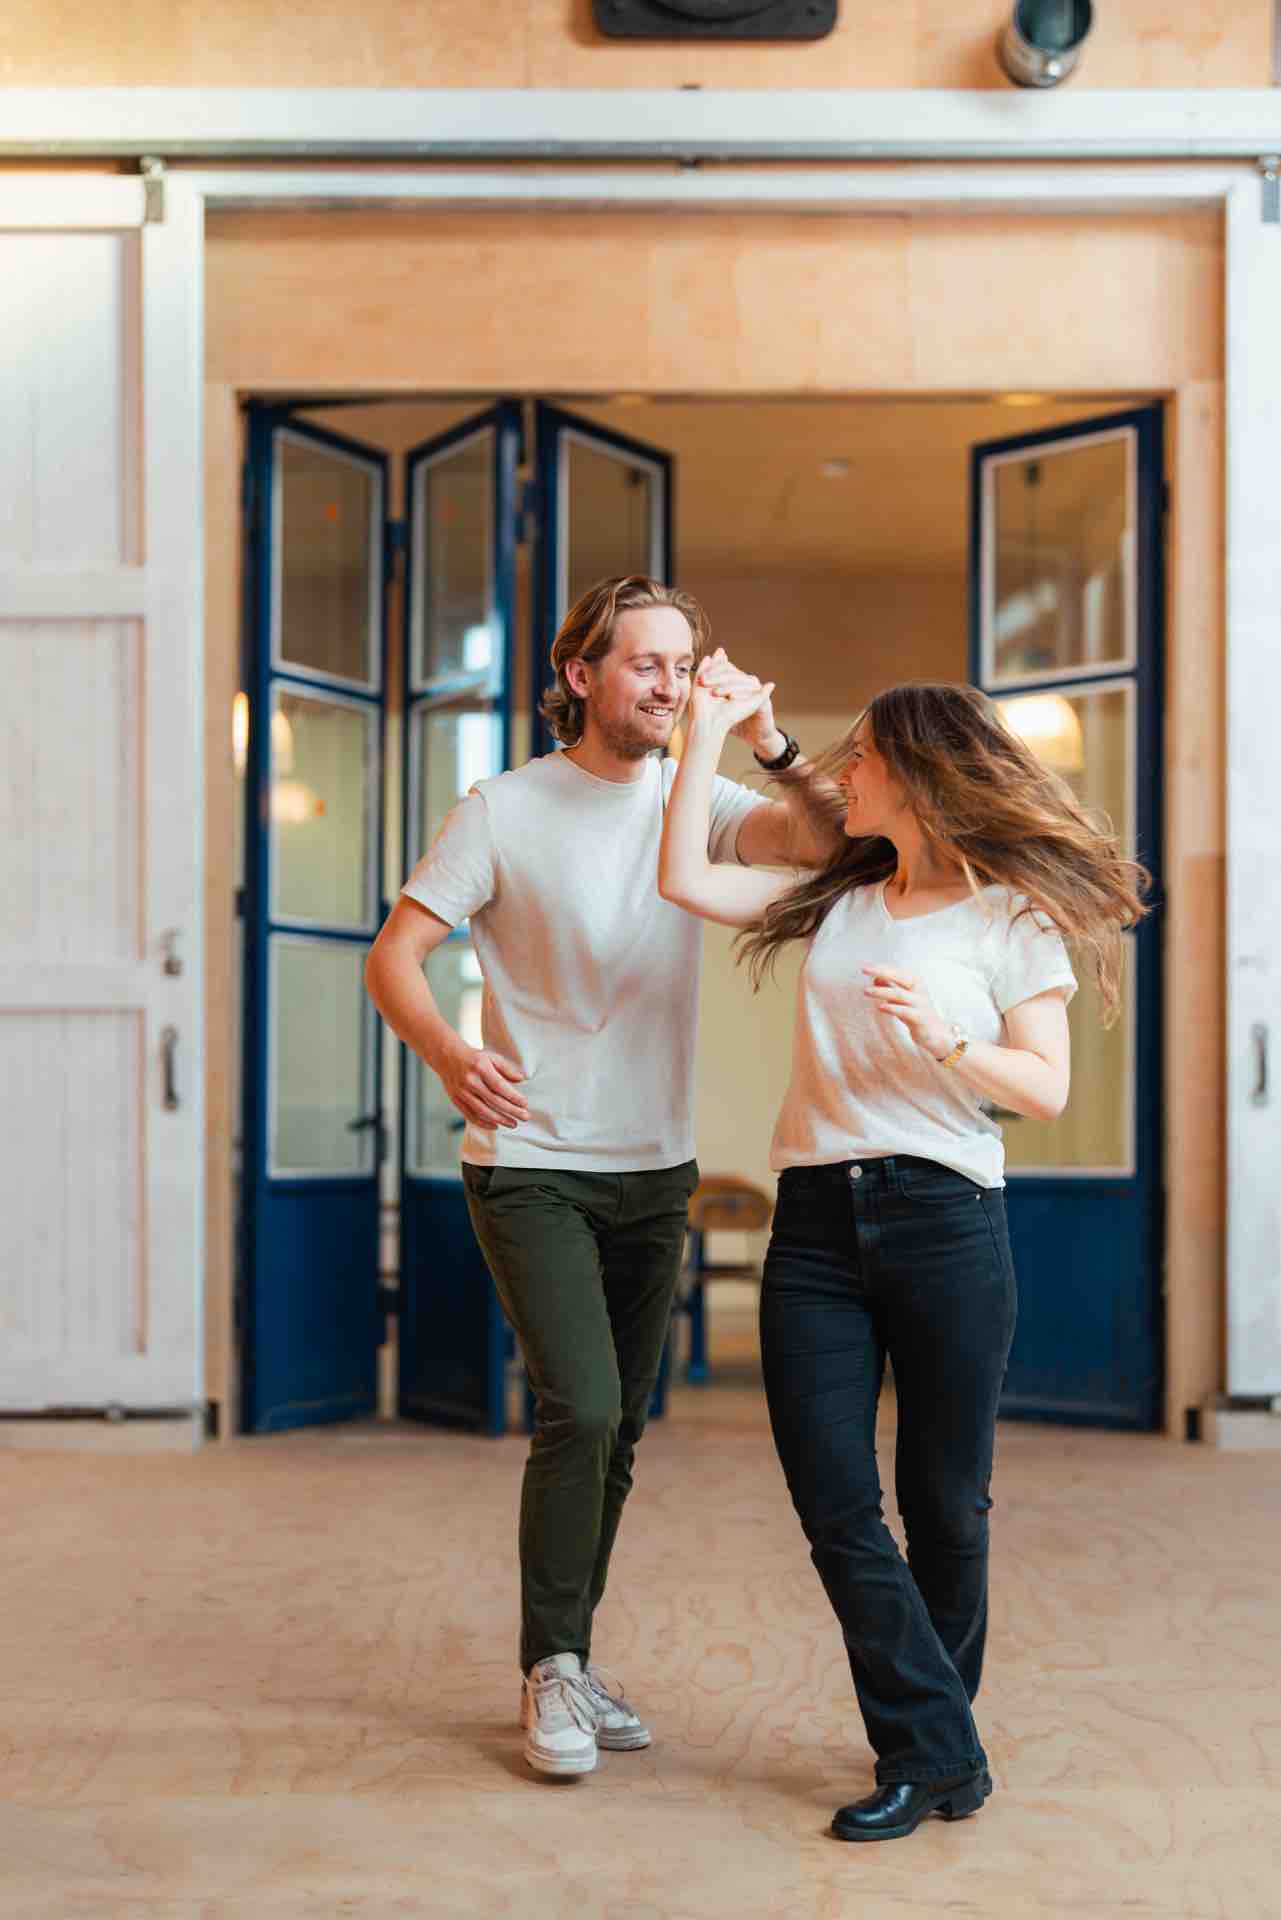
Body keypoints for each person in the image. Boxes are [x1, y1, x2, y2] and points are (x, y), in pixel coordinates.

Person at [658, 676, 1146, 1842]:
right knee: (836, 1502)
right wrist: (707, 738)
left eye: (864, 755)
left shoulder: (1010, 917)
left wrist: (951, 1041)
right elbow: (681, 877)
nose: (847, 772)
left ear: (920, 773)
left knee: (948, 1506)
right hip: (817, 1224)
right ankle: (938, 1747)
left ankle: (928, 1745)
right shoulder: (844, 892)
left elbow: (1046, 1084)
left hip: (946, 1222)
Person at [364, 575, 824, 1779]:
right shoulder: (504, 811)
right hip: (532, 1165)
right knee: (586, 1407)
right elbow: (395, 956)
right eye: (647, 665)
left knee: (619, 1434)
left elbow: (838, 840)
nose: (672, 685)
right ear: (583, 676)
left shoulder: (699, 798)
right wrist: (452, 1054)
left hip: (652, 1167)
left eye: (684, 664)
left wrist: (769, 739)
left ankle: (567, 1650)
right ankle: (550, 1672)